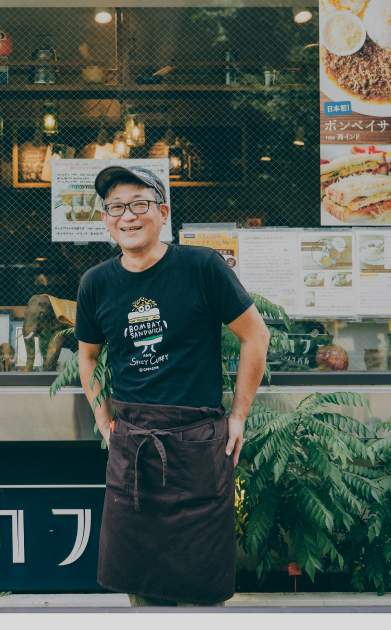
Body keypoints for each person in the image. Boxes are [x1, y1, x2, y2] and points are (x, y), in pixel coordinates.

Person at [72, 166, 270, 607]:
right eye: (116, 207)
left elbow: (256, 336)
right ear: (105, 220)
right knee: (139, 587)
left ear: (162, 213)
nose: (128, 216)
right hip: (133, 447)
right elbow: (87, 357)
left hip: (198, 445)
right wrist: (104, 420)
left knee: (202, 588)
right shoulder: (96, 283)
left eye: (139, 204)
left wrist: (238, 416)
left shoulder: (202, 267)